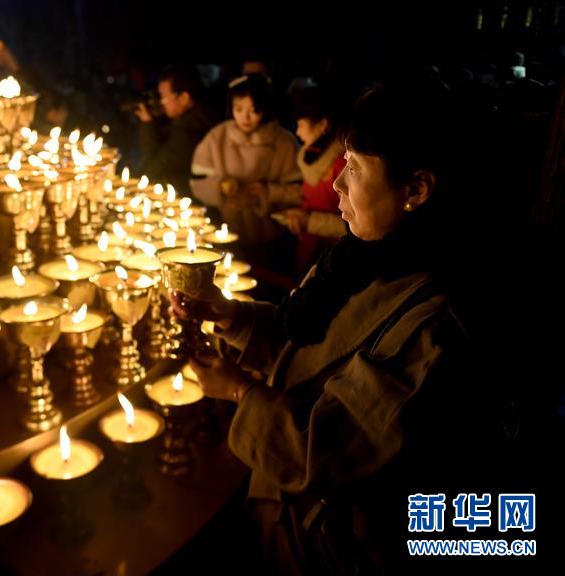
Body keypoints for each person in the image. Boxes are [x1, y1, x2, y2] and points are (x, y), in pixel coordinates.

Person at [170, 78, 491, 573]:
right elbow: (307, 345)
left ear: (417, 189)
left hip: (327, 546)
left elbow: (328, 452)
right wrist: (230, 315)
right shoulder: (360, 254)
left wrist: (238, 391)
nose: (337, 183)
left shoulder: (435, 323)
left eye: (357, 168)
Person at [190, 74, 302, 250]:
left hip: (271, 238)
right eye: (238, 109)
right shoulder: (217, 137)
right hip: (223, 232)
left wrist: (268, 192)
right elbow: (197, 181)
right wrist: (220, 185)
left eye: (254, 110)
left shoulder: (284, 142)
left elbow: (301, 191)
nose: (245, 117)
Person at [274, 85, 347, 276]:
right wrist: (267, 193)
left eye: (301, 125)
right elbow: (308, 194)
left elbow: (353, 226)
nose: (297, 133)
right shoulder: (314, 158)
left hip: (333, 258)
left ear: (322, 125)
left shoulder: (342, 165)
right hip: (310, 248)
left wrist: (309, 221)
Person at [136, 66, 214, 192]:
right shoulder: (196, 120)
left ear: (184, 98)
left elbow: (152, 170)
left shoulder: (189, 133)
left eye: (163, 96)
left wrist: (148, 124)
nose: (161, 102)